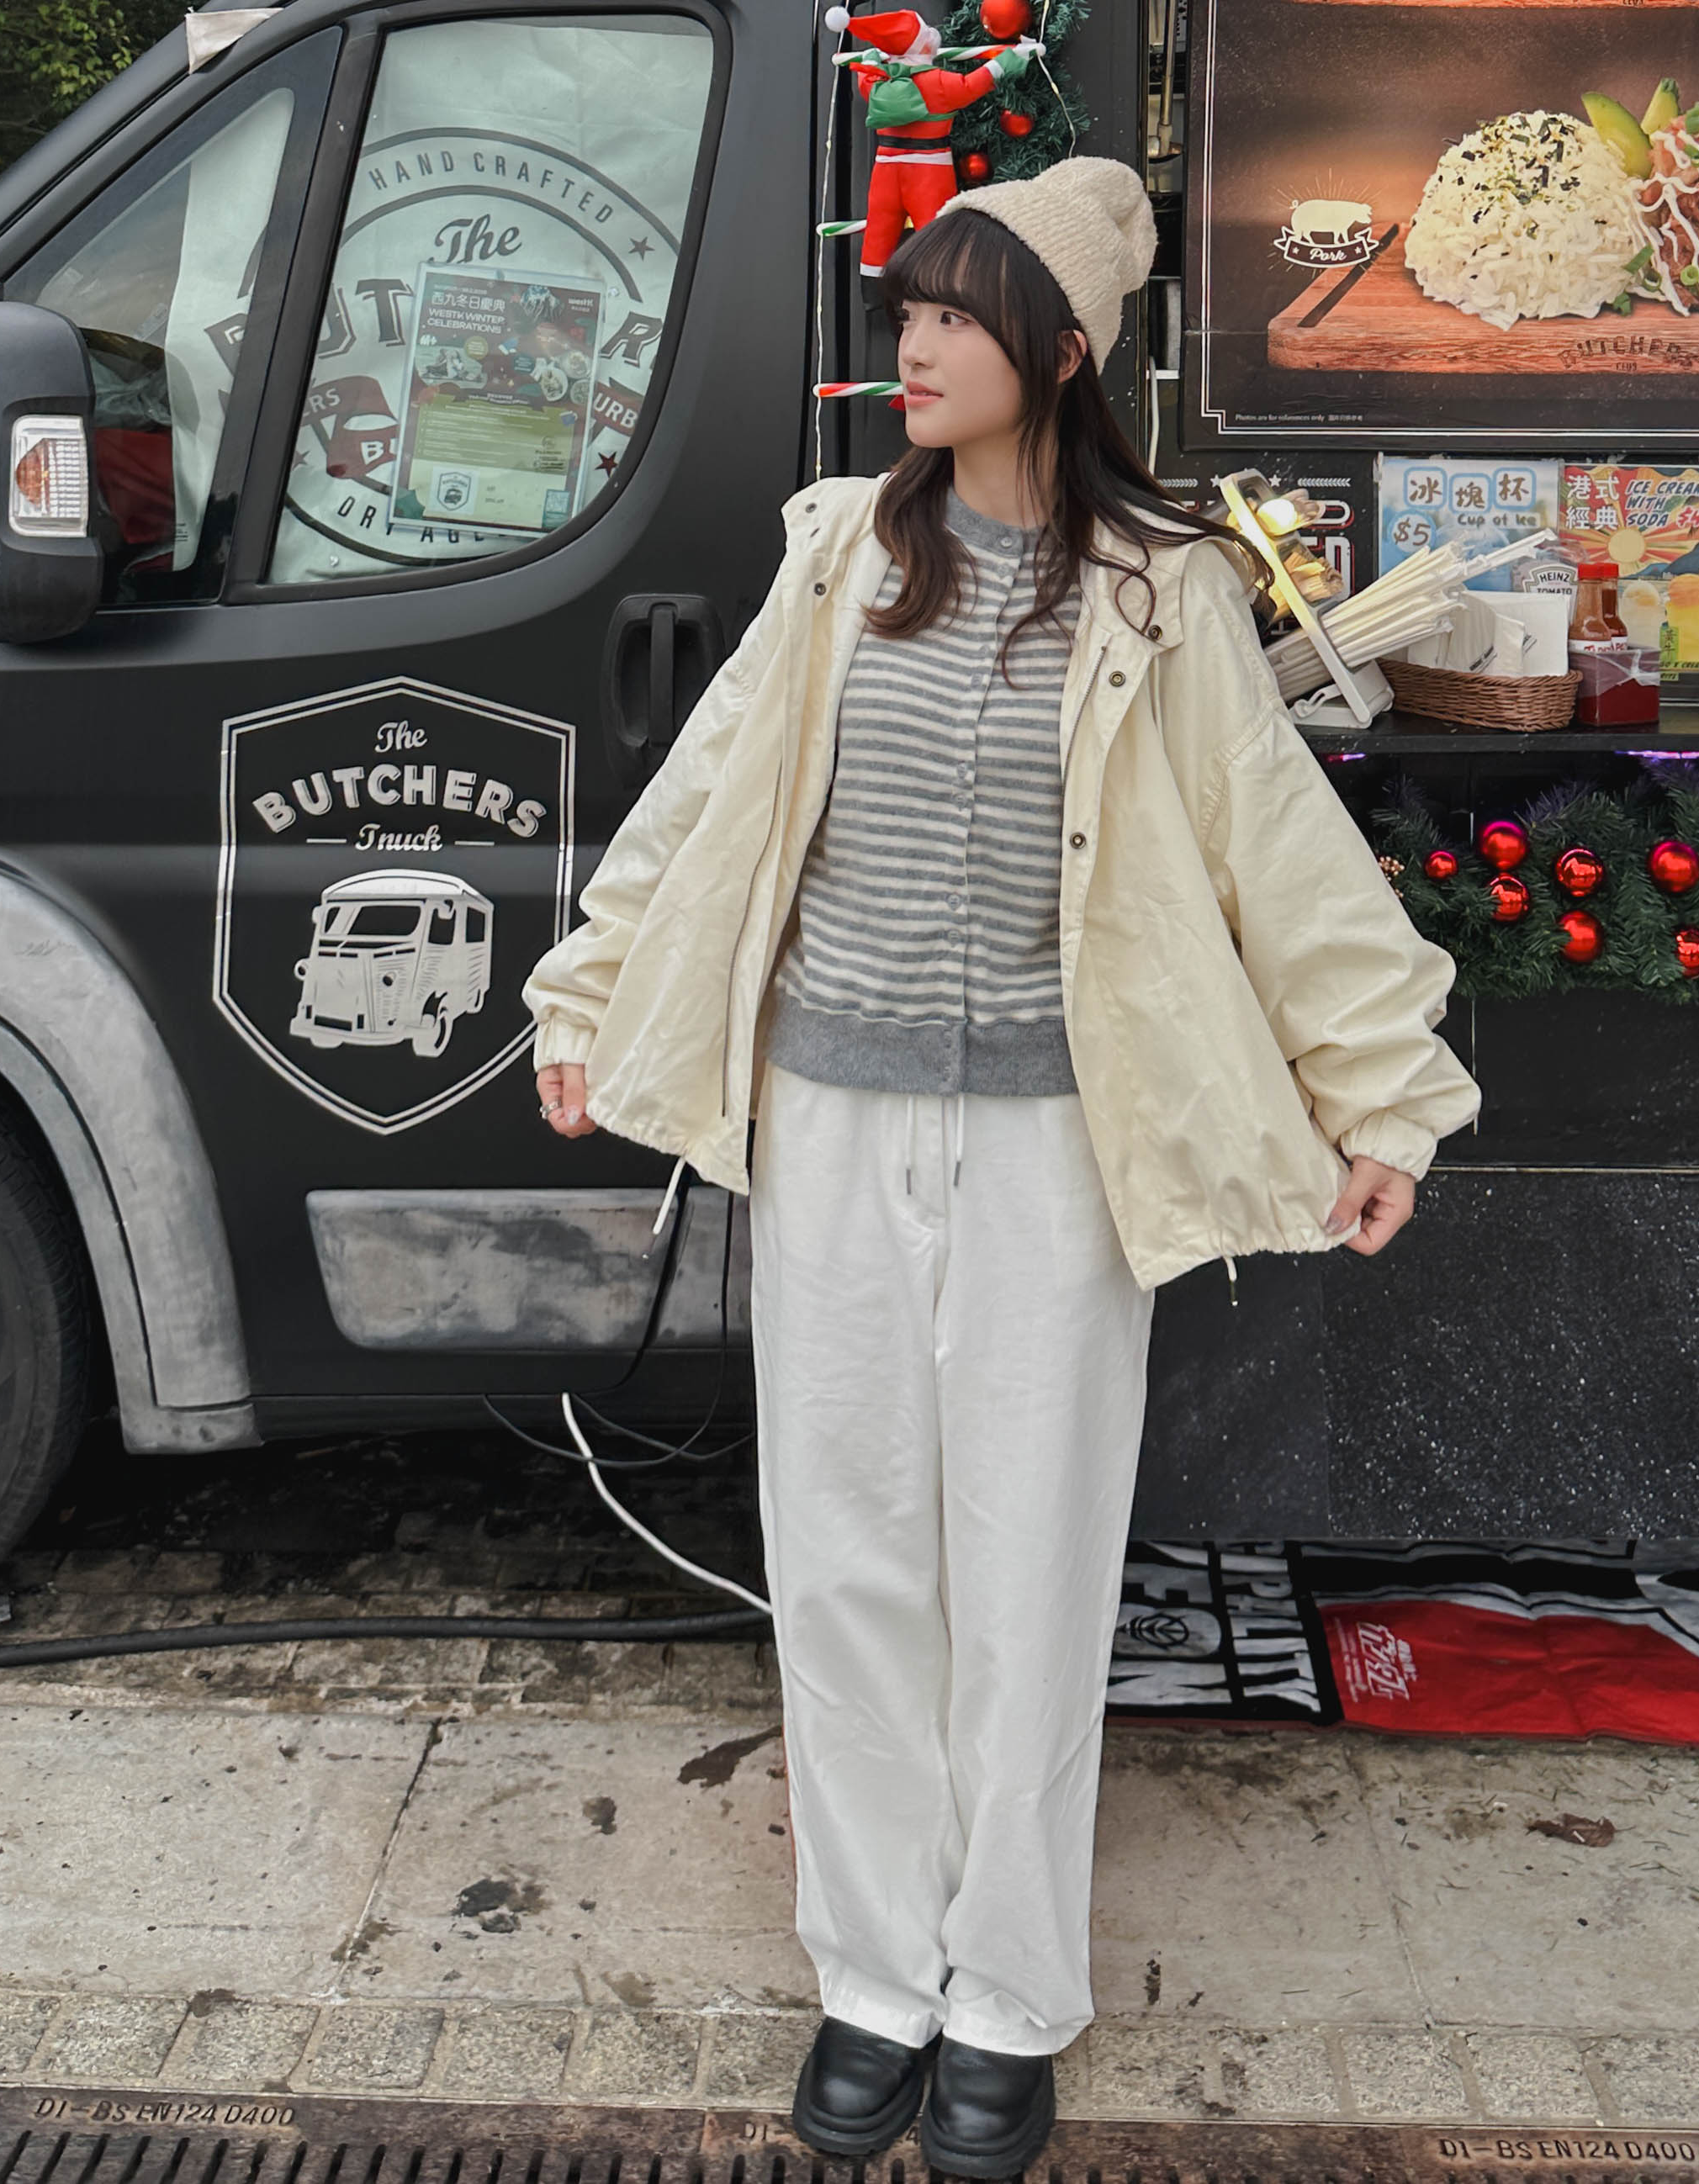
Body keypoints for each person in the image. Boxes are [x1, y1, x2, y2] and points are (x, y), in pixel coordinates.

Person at [526, 156, 1477, 2181]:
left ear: (1056, 350)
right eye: (906, 311)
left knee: (1029, 1574)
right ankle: (874, 1975)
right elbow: (706, 794)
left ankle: (1007, 1998)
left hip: (1057, 1146)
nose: (915, 345)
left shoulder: (1159, 588)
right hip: (833, 1125)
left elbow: (1276, 849)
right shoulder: (836, 553)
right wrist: (587, 991)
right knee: (848, 1560)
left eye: (955, 313)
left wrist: (1378, 1094)